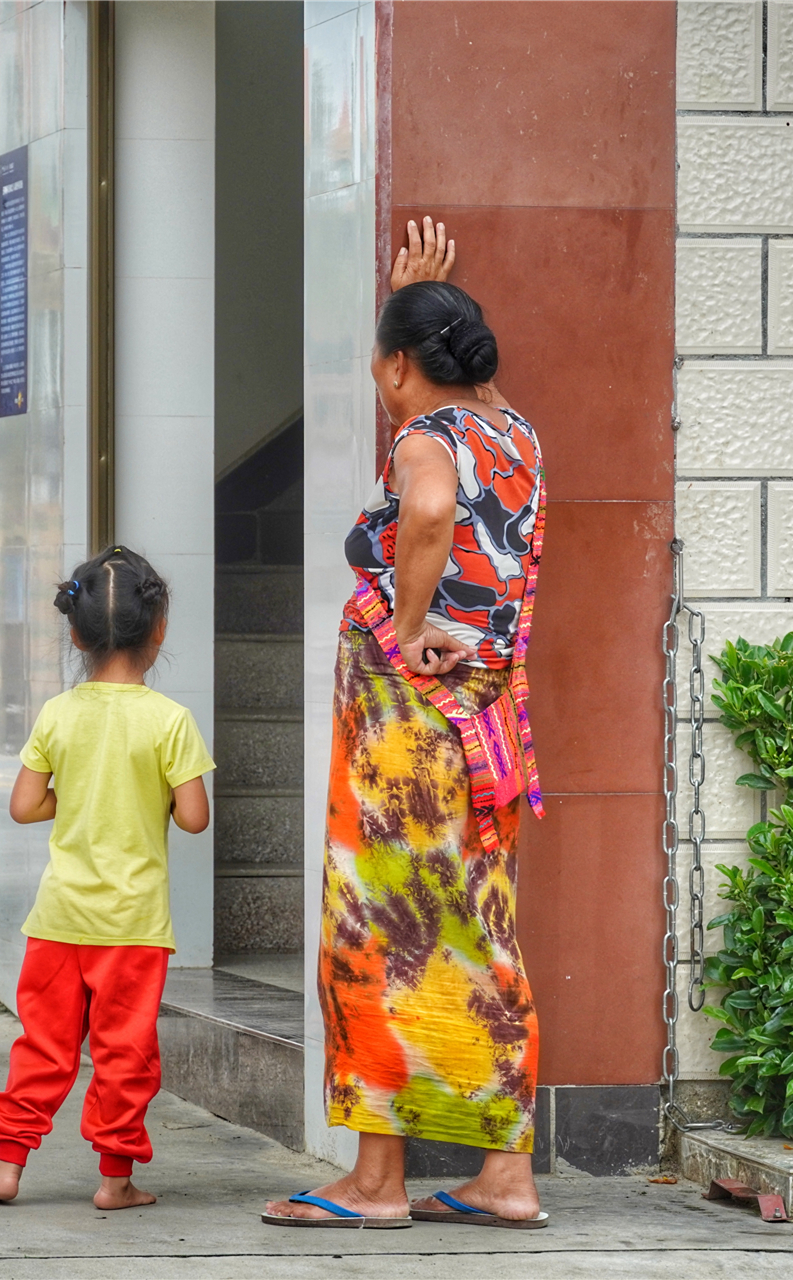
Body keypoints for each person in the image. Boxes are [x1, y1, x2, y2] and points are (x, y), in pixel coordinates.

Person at [262, 219, 550, 1229]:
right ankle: (506, 1175)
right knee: (479, 937)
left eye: (384, 364)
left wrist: (414, 619)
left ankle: (376, 1181)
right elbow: (468, 388)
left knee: (377, 934)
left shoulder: (426, 436)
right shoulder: (516, 433)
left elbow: (427, 507)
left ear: (395, 368)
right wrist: (428, 298)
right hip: (488, 726)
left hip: (405, 732)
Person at [0, 546, 216, 1211]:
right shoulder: (170, 721)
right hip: (131, 927)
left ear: (75, 635)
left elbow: (23, 806)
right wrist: (149, 794)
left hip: (58, 922)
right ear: (157, 629)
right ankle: (115, 1180)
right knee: (124, 1054)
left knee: (43, 1047)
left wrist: (71, 801)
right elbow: (193, 819)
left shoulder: (59, 713)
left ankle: (7, 1168)